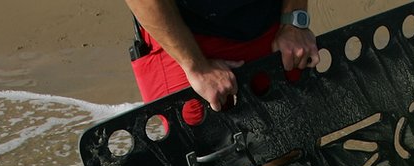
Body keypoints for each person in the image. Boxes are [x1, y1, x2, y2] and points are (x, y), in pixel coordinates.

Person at [125, 0, 320, 124]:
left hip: (264, 16)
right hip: (181, 31)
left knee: (293, 139)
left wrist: (294, 20)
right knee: (192, 142)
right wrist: (196, 66)